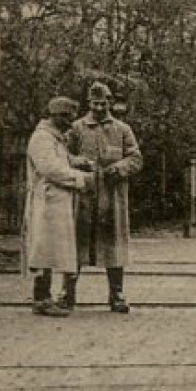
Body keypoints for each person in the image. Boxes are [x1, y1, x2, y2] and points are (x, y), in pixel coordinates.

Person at [66, 81, 144, 312]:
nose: (99, 108)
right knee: (75, 245)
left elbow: (136, 158)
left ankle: (116, 294)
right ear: (88, 103)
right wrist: (77, 162)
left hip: (112, 199)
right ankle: (67, 292)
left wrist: (120, 168)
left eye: (103, 103)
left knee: (114, 246)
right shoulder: (77, 128)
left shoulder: (122, 130)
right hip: (84, 197)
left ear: (110, 102)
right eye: (94, 103)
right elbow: (63, 154)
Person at [22, 96, 93, 317]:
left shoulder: (54, 138)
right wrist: (81, 178)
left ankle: (45, 298)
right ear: (58, 117)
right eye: (68, 118)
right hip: (47, 202)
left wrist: (75, 160)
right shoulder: (42, 138)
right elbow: (50, 168)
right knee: (44, 251)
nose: (72, 122)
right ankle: (41, 299)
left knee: (52, 250)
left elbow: (60, 160)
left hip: (56, 202)